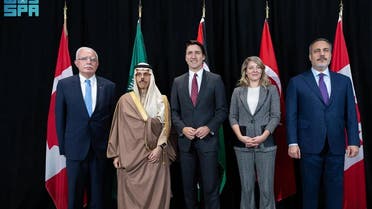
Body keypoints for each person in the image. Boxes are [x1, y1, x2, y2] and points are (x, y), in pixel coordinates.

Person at [286, 38, 360, 209]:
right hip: (308, 146)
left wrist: (354, 141)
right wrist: (292, 142)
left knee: (335, 191)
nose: (321, 54)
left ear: (331, 54)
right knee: (310, 192)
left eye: (325, 50)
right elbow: (291, 115)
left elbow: (350, 113)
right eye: (317, 51)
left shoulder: (343, 81)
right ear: (310, 56)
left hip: (336, 144)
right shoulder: (297, 82)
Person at [55, 47, 116, 209]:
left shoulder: (109, 87)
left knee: (98, 198)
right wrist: (64, 148)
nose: (89, 62)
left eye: (93, 59)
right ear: (76, 63)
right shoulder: (64, 85)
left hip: (100, 151)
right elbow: (60, 118)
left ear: (97, 64)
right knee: (74, 197)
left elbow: (112, 121)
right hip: (75, 150)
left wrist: (111, 147)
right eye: (84, 59)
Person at [107, 62, 174, 209]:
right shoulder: (124, 100)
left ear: (152, 77)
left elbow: (166, 127)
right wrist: (116, 155)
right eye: (138, 74)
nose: (142, 77)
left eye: (146, 74)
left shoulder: (161, 100)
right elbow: (117, 129)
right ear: (135, 77)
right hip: (128, 159)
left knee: (156, 197)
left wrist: (159, 148)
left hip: (154, 157)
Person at [170, 40, 228, 209]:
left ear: (203, 57)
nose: (193, 56)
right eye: (190, 53)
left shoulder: (215, 80)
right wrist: (182, 128)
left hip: (208, 143)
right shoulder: (178, 82)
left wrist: (209, 127)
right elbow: (174, 111)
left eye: (197, 53)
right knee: (188, 190)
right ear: (185, 58)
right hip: (186, 145)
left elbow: (222, 110)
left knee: (210, 188)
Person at [229, 56, 280, 209]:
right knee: (247, 187)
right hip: (243, 144)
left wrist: (264, 136)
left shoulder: (271, 90)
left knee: (266, 188)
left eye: (258, 67)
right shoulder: (238, 91)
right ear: (245, 71)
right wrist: (240, 136)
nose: (255, 70)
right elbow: (232, 116)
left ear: (262, 70)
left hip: (266, 144)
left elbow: (275, 116)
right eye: (251, 67)